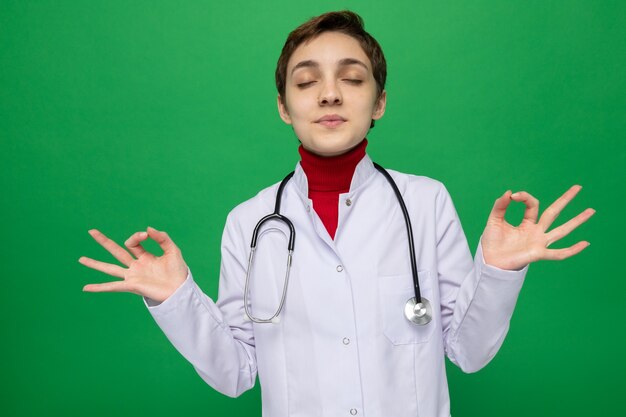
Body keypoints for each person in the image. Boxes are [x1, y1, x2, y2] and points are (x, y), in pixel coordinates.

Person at [79, 10, 595, 417]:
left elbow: (469, 351)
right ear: (284, 106)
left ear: (380, 103)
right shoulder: (250, 222)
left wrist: (500, 271)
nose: (329, 93)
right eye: (306, 83)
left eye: (352, 78)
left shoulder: (425, 202)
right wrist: (176, 299)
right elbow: (235, 373)